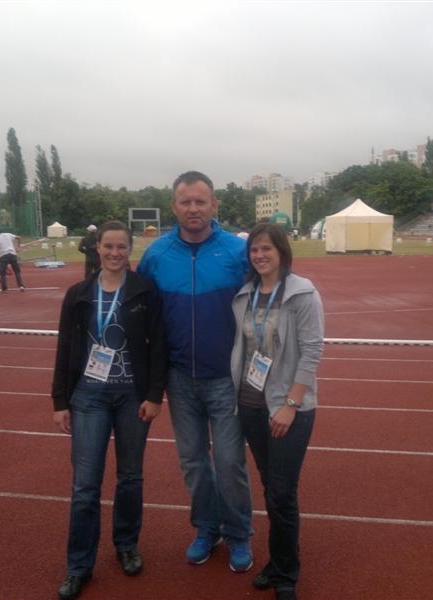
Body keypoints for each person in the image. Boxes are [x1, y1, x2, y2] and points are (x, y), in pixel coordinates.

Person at [136, 170, 254, 573]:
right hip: (180, 380)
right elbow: (142, 316)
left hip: (226, 378)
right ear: (174, 207)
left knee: (229, 462)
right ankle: (207, 528)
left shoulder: (238, 253)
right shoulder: (155, 255)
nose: (193, 209)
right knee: (192, 462)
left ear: (214, 205)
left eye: (200, 201)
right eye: (185, 202)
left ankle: (239, 533)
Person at [51, 220, 167, 600]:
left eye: (121, 247)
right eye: (108, 246)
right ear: (96, 248)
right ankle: (78, 565)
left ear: (130, 249)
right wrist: (60, 401)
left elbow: (158, 347)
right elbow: (66, 348)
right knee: (85, 486)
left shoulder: (145, 291)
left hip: (132, 396)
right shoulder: (79, 294)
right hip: (88, 397)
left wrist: (154, 395)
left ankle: (126, 545)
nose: (115, 253)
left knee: (131, 478)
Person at [230, 223, 324, 600]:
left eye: (267, 248)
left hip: (288, 408)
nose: (260, 255)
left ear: (282, 252)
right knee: (271, 489)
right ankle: (280, 559)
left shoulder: (302, 294)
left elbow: (312, 352)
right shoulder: (245, 295)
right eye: (254, 250)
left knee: (282, 493)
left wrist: (290, 405)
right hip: (251, 405)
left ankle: (286, 574)